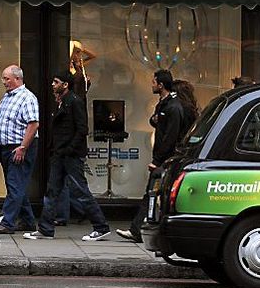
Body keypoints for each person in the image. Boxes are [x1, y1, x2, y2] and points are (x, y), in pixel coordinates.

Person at [23, 72, 112, 241]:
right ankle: (45, 229)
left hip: (70, 155)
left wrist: (70, 148)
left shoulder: (74, 102)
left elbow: (82, 129)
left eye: (56, 82)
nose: (52, 84)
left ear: (65, 85)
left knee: (80, 190)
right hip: (60, 154)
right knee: (52, 191)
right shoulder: (62, 102)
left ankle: (101, 227)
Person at [117, 69, 186, 242]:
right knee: (154, 194)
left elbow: (170, 136)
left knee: (153, 193)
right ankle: (142, 229)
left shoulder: (173, 107)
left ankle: (139, 230)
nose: (152, 85)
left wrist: (157, 161)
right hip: (162, 157)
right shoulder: (164, 104)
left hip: (166, 160)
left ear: (161, 85)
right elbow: (156, 122)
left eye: (154, 82)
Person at [0, 65, 40, 235]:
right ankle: (27, 221)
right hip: (6, 147)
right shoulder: (7, 96)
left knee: (15, 185)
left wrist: (23, 147)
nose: (4, 82)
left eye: (6, 78)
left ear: (17, 78)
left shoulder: (27, 97)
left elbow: (33, 124)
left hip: (19, 147)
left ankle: (7, 222)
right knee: (15, 186)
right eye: (3, 78)